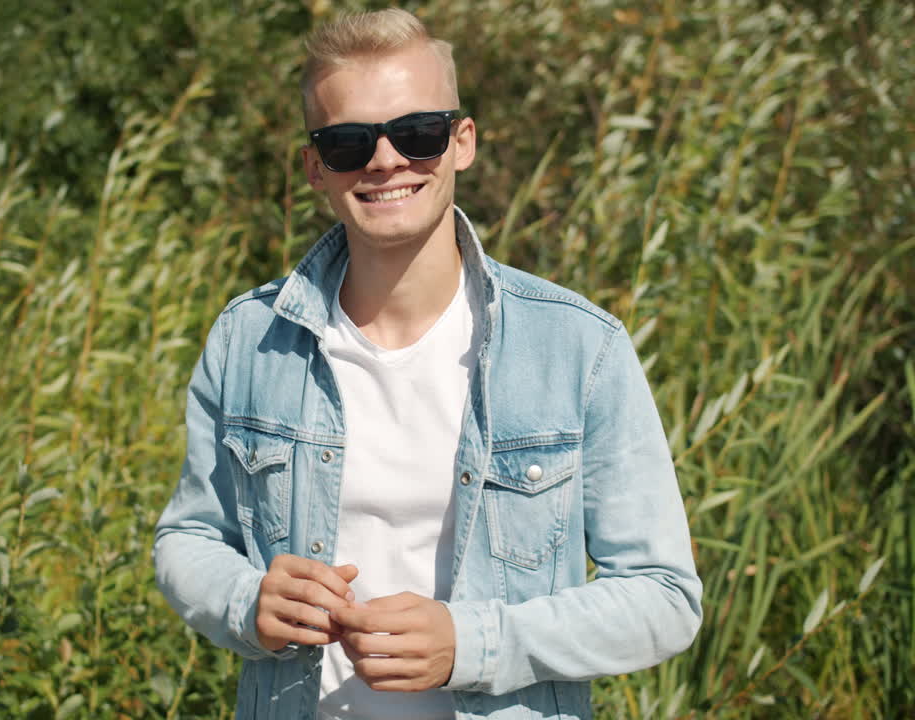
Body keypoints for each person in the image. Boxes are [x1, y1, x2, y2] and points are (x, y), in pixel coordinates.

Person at [153, 8, 702, 719]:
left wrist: (473, 643)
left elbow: (663, 596)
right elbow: (189, 538)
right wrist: (246, 600)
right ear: (315, 167)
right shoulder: (248, 340)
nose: (385, 161)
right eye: (348, 142)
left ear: (461, 142)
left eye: (417, 133)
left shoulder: (578, 348)